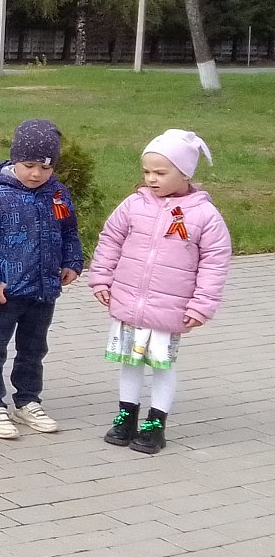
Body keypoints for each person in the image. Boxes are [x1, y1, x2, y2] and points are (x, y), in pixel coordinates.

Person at [87, 129, 231, 454]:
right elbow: (110, 239)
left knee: (162, 365)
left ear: (185, 173)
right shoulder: (133, 205)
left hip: (170, 308)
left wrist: (201, 305)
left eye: (161, 173)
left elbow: (215, 261)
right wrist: (101, 278)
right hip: (129, 302)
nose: (151, 179)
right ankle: (126, 415)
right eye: (147, 171)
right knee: (130, 361)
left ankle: (156, 423)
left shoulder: (204, 215)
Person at [0, 118, 83, 440]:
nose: (36, 174)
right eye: (29, 165)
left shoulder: (57, 194)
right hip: (4, 292)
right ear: (15, 160)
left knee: (34, 349)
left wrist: (72, 262)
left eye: (45, 167)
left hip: (44, 288)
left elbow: (69, 231)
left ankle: (28, 400)